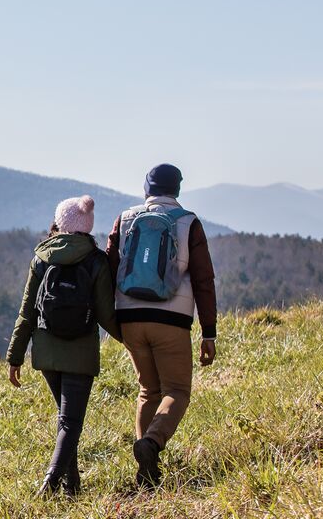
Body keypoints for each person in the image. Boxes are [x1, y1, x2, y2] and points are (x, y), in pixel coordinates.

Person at [107, 163, 217, 488]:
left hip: (129, 318)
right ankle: (152, 444)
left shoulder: (125, 219)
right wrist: (208, 332)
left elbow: (108, 267)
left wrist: (112, 320)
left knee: (147, 390)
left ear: (147, 189)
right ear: (177, 190)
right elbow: (203, 280)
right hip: (171, 320)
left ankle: (146, 474)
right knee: (177, 391)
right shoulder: (187, 223)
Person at [6, 195, 121, 497]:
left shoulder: (42, 259)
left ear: (59, 223)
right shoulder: (96, 261)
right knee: (70, 423)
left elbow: (27, 310)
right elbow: (107, 314)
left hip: (45, 352)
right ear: (86, 226)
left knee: (66, 422)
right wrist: (133, 341)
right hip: (80, 354)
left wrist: (15, 356)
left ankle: (72, 486)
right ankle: (51, 482)